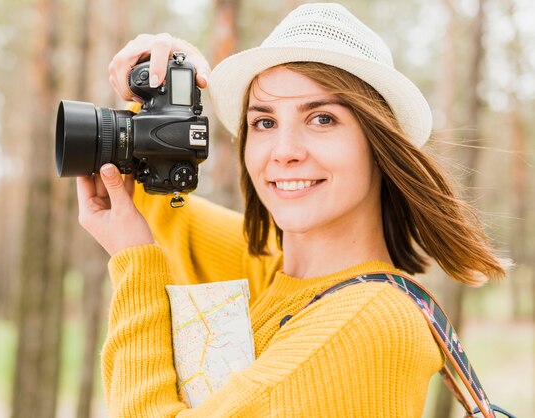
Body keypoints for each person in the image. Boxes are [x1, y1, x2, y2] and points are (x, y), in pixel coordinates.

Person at [76, 3, 505, 416]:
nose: (284, 152)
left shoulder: (362, 323)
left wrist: (135, 266)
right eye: (264, 122)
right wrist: (164, 91)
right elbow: (161, 211)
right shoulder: (278, 276)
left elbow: (148, 247)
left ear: (380, 144)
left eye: (322, 119)